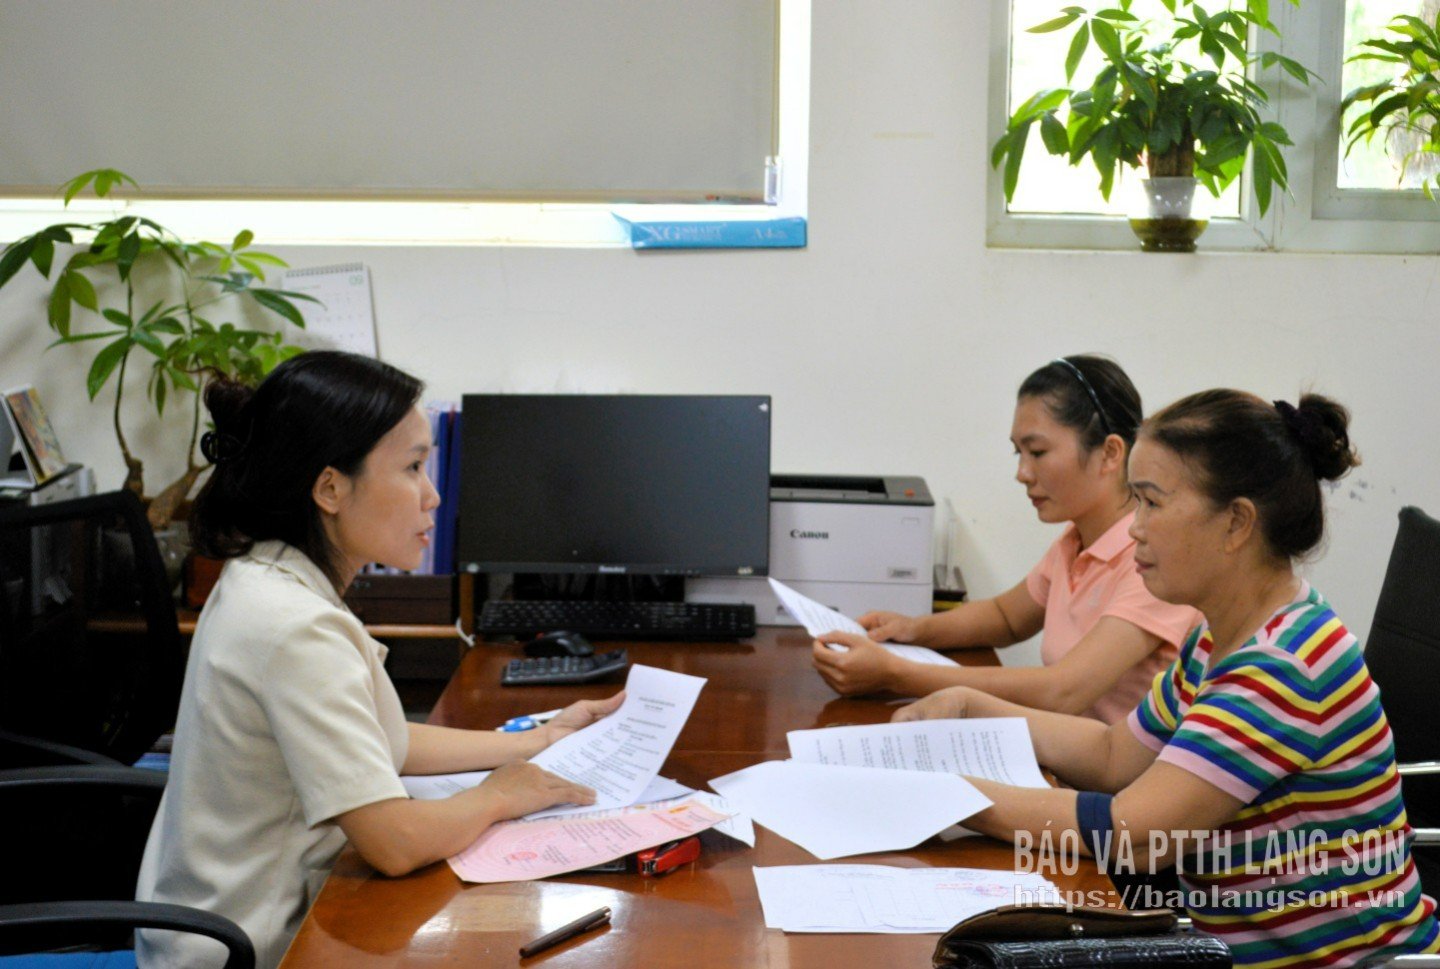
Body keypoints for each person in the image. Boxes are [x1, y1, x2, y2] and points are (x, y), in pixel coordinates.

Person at [897, 389, 1439, 967]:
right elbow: (1113, 755)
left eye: (1151, 503)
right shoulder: (1219, 634)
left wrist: (952, 798)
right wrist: (968, 703)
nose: (1134, 528)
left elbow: (1134, 835)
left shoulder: (1283, 670)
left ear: (1235, 523)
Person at [135, 352, 623, 969]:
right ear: (330, 487)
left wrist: (534, 742)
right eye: (413, 467)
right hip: (253, 948)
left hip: (232, 921)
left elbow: (377, 742)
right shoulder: (294, 627)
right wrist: (500, 796)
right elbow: (393, 842)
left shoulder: (268, 577)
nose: (433, 495)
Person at [813, 355, 1199, 724]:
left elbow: (1064, 691)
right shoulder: (1076, 539)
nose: (1022, 473)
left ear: (1110, 452)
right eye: (1018, 452)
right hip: (1066, 756)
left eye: (1038, 451)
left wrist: (895, 674)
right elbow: (1006, 618)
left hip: (1114, 779)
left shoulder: (1150, 559)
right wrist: (914, 629)